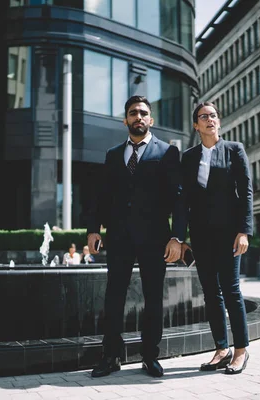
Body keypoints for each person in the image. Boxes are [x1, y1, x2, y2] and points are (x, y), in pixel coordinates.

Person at [86, 95, 183, 378]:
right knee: (114, 296)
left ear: (150, 120)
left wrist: (177, 237)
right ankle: (111, 355)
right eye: (133, 113)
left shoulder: (167, 152)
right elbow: (101, 196)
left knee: (153, 297)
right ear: (125, 120)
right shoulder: (113, 154)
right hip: (118, 237)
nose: (138, 117)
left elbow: (178, 199)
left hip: (155, 238)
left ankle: (150, 356)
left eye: (143, 113)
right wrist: (93, 229)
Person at [174, 102, 253, 375]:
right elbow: (183, 201)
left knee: (231, 290)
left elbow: (246, 193)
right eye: (203, 117)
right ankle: (221, 349)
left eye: (213, 115)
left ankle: (241, 350)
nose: (210, 120)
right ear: (196, 125)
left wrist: (244, 231)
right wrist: (180, 237)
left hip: (229, 234)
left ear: (218, 121)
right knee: (211, 293)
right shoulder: (189, 157)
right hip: (201, 236)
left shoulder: (234, 150)